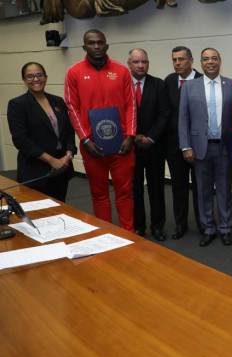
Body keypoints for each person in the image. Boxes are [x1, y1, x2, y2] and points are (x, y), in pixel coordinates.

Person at [64, 29, 136, 230]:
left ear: (106, 45)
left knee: (125, 192)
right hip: (93, 146)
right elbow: (72, 107)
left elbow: (131, 105)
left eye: (99, 42)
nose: (96, 46)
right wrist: (85, 140)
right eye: (91, 42)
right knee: (99, 194)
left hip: (122, 144)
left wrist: (130, 135)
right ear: (84, 46)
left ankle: (129, 235)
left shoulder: (122, 71)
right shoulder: (74, 72)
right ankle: (106, 235)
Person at [178, 47, 232, 247]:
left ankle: (226, 228)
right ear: (200, 63)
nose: (210, 62)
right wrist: (185, 146)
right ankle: (208, 228)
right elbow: (183, 119)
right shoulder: (189, 87)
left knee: (224, 190)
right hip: (199, 147)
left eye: (214, 58)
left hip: (224, 147)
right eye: (206, 59)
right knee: (202, 191)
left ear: (220, 61)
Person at [7, 62, 76, 201]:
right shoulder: (17, 105)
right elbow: (20, 140)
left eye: (39, 75)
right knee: (39, 215)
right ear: (24, 80)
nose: (36, 79)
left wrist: (68, 155)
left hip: (62, 169)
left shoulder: (57, 101)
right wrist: (52, 161)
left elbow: (69, 131)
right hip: (36, 172)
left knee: (60, 210)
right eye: (30, 76)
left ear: (46, 77)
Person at [128, 48, 169, 241]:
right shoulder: (122, 84)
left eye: (144, 61)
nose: (140, 65)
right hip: (130, 146)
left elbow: (164, 114)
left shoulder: (159, 85)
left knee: (156, 189)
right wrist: (133, 136)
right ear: (129, 64)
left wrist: (150, 137)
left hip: (154, 146)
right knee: (134, 188)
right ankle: (138, 226)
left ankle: (158, 226)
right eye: (136, 62)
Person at [163, 46, 204, 239]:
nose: (177, 63)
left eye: (181, 59)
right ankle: (180, 224)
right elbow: (166, 113)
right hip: (174, 146)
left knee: (200, 187)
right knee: (178, 187)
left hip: (198, 146)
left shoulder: (202, 81)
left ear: (191, 60)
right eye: (174, 60)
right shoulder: (170, 81)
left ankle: (203, 224)